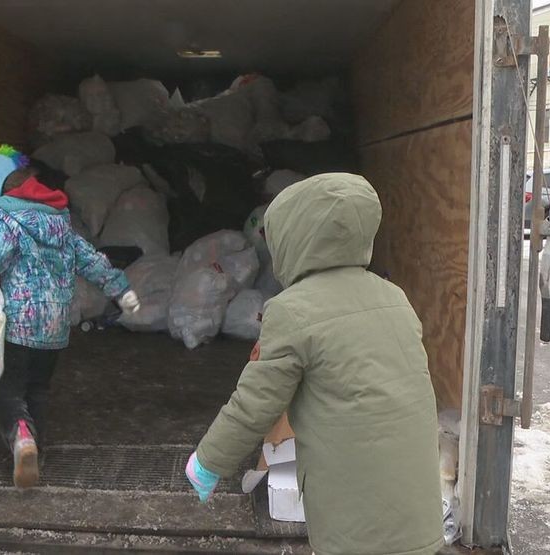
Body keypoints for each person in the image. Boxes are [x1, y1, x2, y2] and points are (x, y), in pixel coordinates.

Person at [186, 173, 443, 555]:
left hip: (356, 522)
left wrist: (207, 462)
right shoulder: (395, 298)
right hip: (418, 512)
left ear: (294, 239)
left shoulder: (293, 311)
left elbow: (254, 404)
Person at [0, 143, 140, 489]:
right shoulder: (58, 218)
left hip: (18, 322)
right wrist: (121, 289)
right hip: (56, 325)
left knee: (9, 390)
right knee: (39, 389)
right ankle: (36, 449)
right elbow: (89, 258)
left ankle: (22, 439)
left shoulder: (4, 216)